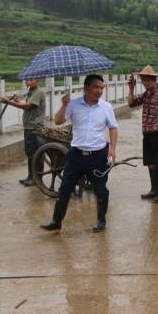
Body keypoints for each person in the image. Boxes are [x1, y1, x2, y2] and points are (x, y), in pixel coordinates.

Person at [40, 75, 118, 232]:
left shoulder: (106, 107)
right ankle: (56, 221)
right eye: (96, 87)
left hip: (98, 155)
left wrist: (112, 149)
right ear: (86, 87)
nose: (99, 91)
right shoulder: (73, 105)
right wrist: (64, 105)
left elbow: (113, 128)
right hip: (75, 156)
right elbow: (58, 121)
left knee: (100, 189)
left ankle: (101, 221)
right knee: (65, 189)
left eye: (101, 88)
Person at [128, 65, 158, 203]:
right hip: (146, 132)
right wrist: (131, 88)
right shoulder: (146, 94)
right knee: (150, 163)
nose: (145, 82)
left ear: (154, 79)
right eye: (143, 80)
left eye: (147, 80)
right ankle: (155, 190)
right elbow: (131, 104)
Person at [0, 79, 46, 186]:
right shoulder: (31, 93)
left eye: (31, 80)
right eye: (27, 80)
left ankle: (35, 178)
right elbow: (26, 104)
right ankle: (31, 176)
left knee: (34, 153)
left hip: (34, 128)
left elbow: (27, 106)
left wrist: (8, 101)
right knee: (30, 153)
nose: (28, 82)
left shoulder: (38, 92)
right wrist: (16, 101)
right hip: (29, 127)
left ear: (37, 81)